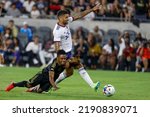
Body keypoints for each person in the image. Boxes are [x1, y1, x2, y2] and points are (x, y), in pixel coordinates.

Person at [53, 3, 102, 91]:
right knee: (79, 65)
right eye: (66, 17)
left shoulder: (66, 22)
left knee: (69, 73)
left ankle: (52, 83)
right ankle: (93, 85)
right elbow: (57, 47)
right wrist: (61, 59)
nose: (68, 18)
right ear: (60, 18)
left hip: (68, 52)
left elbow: (79, 15)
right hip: (63, 56)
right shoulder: (57, 31)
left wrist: (92, 9)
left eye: (68, 17)